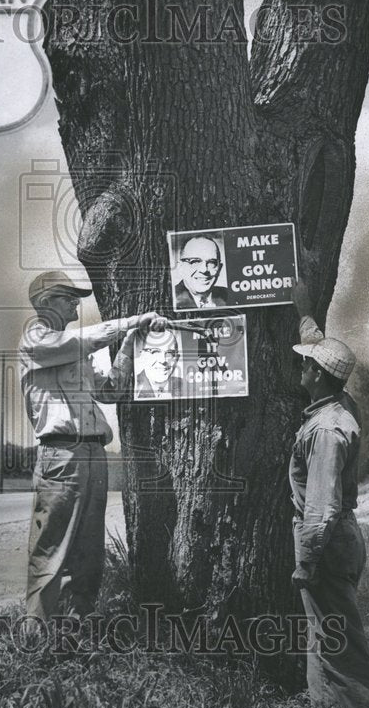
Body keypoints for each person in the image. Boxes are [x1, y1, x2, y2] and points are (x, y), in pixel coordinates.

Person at [19, 269, 164, 621]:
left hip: (91, 453)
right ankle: (35, 641)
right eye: (67, 297)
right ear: (45, 302)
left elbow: (111, 390)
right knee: (51, 552)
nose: (75, 304)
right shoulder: (36, 339)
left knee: (88, 554)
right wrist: (131, 322)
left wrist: (130, 340)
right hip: (61, 454)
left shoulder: (74, 350)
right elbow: (82, 342)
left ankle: (74, 632)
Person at [289, 279, 369, 708]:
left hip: (326, 542)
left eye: (305, 364)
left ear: (316, 376)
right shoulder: (339, 403)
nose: (300, 366)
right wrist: (304, 310)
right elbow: (316, 343)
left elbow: (322, 508)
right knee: (324, 632)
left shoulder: (326, 430)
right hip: (341, 537)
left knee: (339, 642)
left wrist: (306, 562)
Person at [173, 235, 229, 309]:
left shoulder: (230, 296)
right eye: (195, 262)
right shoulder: (170, 297)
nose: (204, 270)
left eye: (211, 262)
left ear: (219, 268)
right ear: (180, 267)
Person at [134, 328, 185, 400]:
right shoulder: (131, 387)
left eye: (170, 353)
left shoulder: (186, 386)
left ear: (176, 358)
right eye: (155, 352)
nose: (163, 360)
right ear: (143, 356)